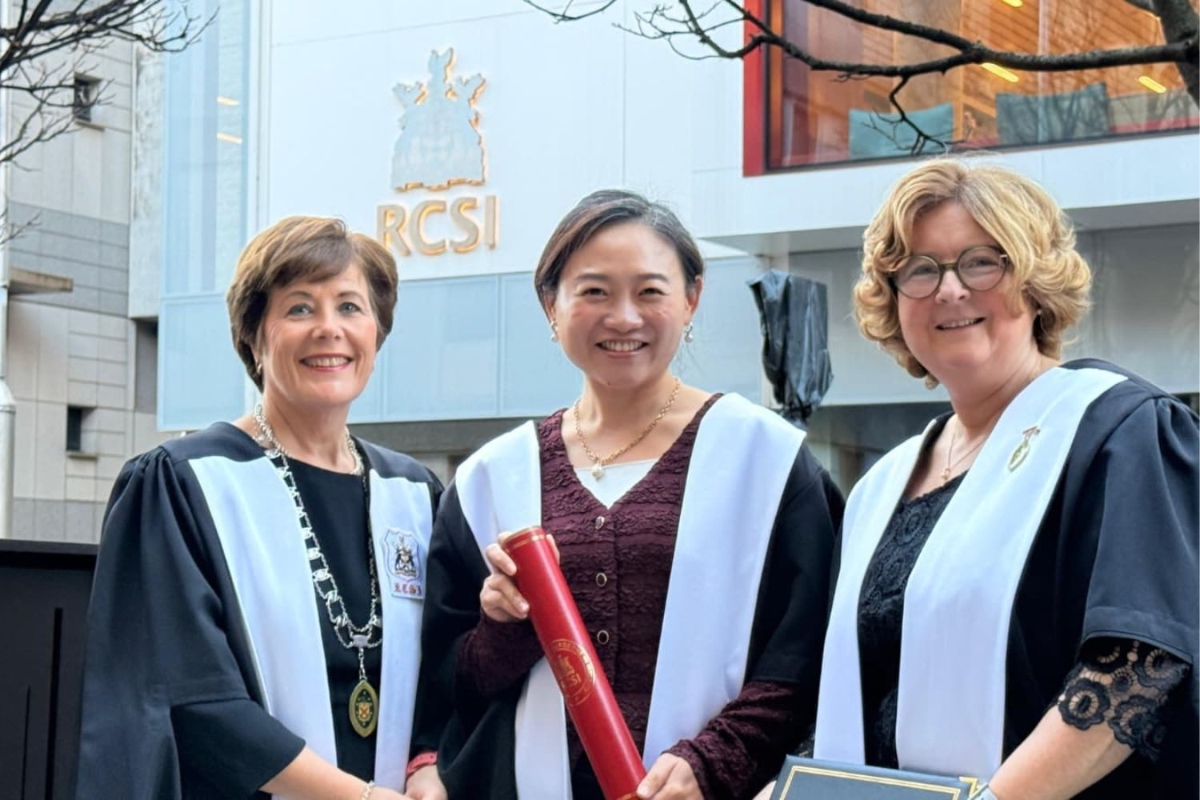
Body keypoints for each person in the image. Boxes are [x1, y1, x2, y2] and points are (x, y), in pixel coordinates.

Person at [411, 190, 843, 800]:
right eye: (593, 291)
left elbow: (808, 656)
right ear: (551, 305)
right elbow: (446, 685)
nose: (623, 317)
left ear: (691, 298)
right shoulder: (492, 479)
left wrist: (715, 760)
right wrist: (502, 629)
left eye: (649, 291)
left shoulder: (764, 461)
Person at [810, 159, 1198, 798]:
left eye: (981, 263)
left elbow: (1139, 669)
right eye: (920, 270)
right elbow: (862, 697)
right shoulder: (881, 487)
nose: (949, 290)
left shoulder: (1117, 432)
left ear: (1035, 281)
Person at [76, 216, 447, 800]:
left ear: (376, 334)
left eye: (350, 307)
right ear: (253, 336)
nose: (329, 329)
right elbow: (188, 695)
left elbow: (448, 670)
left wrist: (428, 762)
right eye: (299, 308)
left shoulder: (413, 493)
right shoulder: (184, 483)